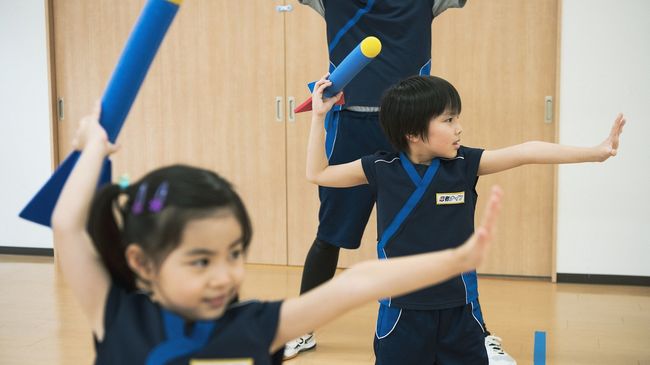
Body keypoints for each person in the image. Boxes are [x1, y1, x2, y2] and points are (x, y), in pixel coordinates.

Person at [51, 104, 505, 364]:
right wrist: (94, 147)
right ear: (142, 263)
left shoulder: (244, 324)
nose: (226, 275)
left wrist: (456, 259)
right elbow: (66, 225)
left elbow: (357, 282)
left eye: (234, 254)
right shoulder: (115, 316)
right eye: (201, 261)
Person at [305, 75, 625, 364]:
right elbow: (317, 173)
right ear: (413, 133)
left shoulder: (464, 164)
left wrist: (595, 152)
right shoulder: (380, 167)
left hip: (461, 310)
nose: (459, 127)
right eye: (448, 119)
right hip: (400, 312)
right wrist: (319, 117)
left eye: (457, 117)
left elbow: (527, 151)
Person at [288, 2, 518, 363]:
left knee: (443, 230)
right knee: (331, 233)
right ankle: (299, 326)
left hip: (416, 123)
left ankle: (479, 332)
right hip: (351, 123)